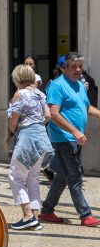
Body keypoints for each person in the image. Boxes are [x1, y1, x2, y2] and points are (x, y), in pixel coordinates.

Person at [39, 52, 100, 227]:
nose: (78, 69)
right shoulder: (58, 86)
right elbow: (53, 113)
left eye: (80, 66)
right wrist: (74, 131)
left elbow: (86, 108)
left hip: (75, 138)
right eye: (73, 66)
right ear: (63, 68)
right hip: (64, 138)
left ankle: (47, 210)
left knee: (63, 177)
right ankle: (85, 215)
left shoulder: (80, 85)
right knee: (75, 176)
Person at [7, 65, 53, 230]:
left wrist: (13, 132)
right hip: (41, 138)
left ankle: (27, 216)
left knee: (15, 176)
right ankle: (35, 217)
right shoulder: (40, 94)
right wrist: (38, 124)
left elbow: (13, 121)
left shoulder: (20, 94)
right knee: (32, 178)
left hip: (27, 138)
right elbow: (48, 115)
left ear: (17, 78)